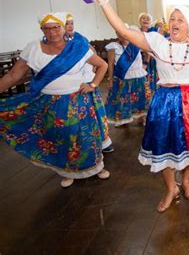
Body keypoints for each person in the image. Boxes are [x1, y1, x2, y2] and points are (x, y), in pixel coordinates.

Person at [89, 0, 189, 212]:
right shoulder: (157, 42)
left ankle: (185, 180)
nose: (174, 23)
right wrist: (102, 0)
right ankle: (170, 188)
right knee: (164, 148)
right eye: (172, 19)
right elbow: (125, 30)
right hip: (165, 101)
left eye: (180, 20)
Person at [0, 12, 110, 188]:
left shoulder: (77, 48)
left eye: (56, 27)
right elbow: (14, 75)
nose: (52, 33)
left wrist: (94, 84)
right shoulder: (33, 48)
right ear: (42, 29)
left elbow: (102, 64)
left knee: (84, 135)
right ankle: (67, 171)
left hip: (77, 100)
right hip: (49, 102)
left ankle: (96, 167)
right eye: (47, 28)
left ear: (63, 27)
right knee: (60, 137)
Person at [66, 12, 114, 153]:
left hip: (87, 81)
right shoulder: (60, 44)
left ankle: (103, 142)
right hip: (72, 85)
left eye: (71, 23)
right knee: (79, 118)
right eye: (66, 23)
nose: (69, 26)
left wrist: (93, 69)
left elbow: (93, 52)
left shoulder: (79, 38)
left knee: (97, 114)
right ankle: (83, 146)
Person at [105, 26, 150, 126]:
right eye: (119, 33)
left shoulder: (136, 43)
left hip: (139, 75)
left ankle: (142, 117)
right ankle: (123, 119)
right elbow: (111, 64)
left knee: (142, 98)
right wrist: (110, 79)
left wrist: (145, 63)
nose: (122, 35)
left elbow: (148, 52)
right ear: (117, 34)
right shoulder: (113, 46)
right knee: (122, 99)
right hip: (123, 78)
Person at [138, 12, 159, 95]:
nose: (145, 20)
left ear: (151, 22)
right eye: (143, 18)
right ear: (139, 21)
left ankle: (152, 95)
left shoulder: (153, 32)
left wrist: (146, 62)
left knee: (151, 78)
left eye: (148, 19)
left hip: (151, 59)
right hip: (139, 58)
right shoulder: (136, 31)